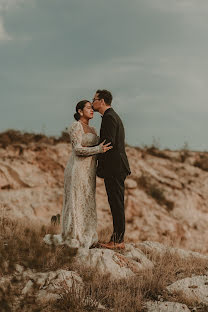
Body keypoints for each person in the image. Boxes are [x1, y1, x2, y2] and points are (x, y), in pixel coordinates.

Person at [43, 100, 112, 251]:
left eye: (92, 108)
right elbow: (77, 149)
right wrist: (98, 149)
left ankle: (88, 233)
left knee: (87, 200)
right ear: (80, 111)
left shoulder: (93, 129)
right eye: (88, 108)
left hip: (90, 171)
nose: (92, 110)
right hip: (76, 169)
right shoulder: (75, 126)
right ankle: (74, 234)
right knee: (76, 199)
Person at [92, 90, 131, 250]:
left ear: (101, 101)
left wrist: (96, 159)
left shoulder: (109, 117)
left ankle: (117, 240)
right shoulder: (112, 116)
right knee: (116, 202)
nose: (92, 102)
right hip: (117, 167)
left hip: (114, 168)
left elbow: (108, 143)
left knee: (116, 203)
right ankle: (117, 239)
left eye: (93, 99)